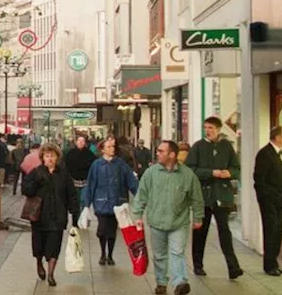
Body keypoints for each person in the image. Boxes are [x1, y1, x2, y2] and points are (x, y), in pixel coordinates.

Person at [133, 140, 204, 295]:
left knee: (177, 252)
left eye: (161, 151)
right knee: (159, 255)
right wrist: (137, 214)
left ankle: (180, 282)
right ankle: (161, 283)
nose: (157, 153)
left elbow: (197, 198)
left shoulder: (187, 175)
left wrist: (198, 217)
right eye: (157, 151)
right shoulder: (151, 173)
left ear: (172, 155)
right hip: (157, 222)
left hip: (179, 222)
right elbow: (141, 195)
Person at [185, 116, 242, 279]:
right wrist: (211, 173)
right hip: (203, 197)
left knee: (225, 231)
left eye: (211, 128)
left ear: (218, 130)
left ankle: (233, 267)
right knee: (200, 231)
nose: (208, 131)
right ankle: (198, 265)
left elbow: (236, 168)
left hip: (222, 196)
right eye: (206, 127)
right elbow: (190, 170)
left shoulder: (227, 147)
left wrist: (230, 173)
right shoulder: (198, 147)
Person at [21, 144, 80, 287]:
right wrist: (36, 183)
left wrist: (75, 213)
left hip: (58, 216)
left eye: (52, 156)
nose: (50, 159)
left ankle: (51, 274)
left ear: (57, 157)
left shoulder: (64, 174)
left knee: (54, 246)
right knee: (39, 245)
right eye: (47, 156)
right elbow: (26, 190)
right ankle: (39, 263)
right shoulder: (36, 173)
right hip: (39, 217)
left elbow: (71, 194)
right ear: (42, 158)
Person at [83, 136, 139, 266]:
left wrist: (140, 195)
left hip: (117, 203)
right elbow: (91, 184)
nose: (112, 149)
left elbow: (130, 181)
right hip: (101, 202)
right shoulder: (96, 165)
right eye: (108, 147)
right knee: (102, 229)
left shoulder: (120, 164)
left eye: (113, 147)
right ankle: (102, 252)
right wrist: (86, 204)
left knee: (112, 231)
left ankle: (110, 255)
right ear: (102, 150)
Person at [253, 125, 282, 277]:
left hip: (281, 200)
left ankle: (274, 262)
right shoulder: (265, 154)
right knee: (270, 232)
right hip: (270, 201)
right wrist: (268, 197)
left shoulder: (280, 153)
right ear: (277, 137)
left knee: (277, 232)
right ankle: (269, 265)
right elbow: (259, 180)